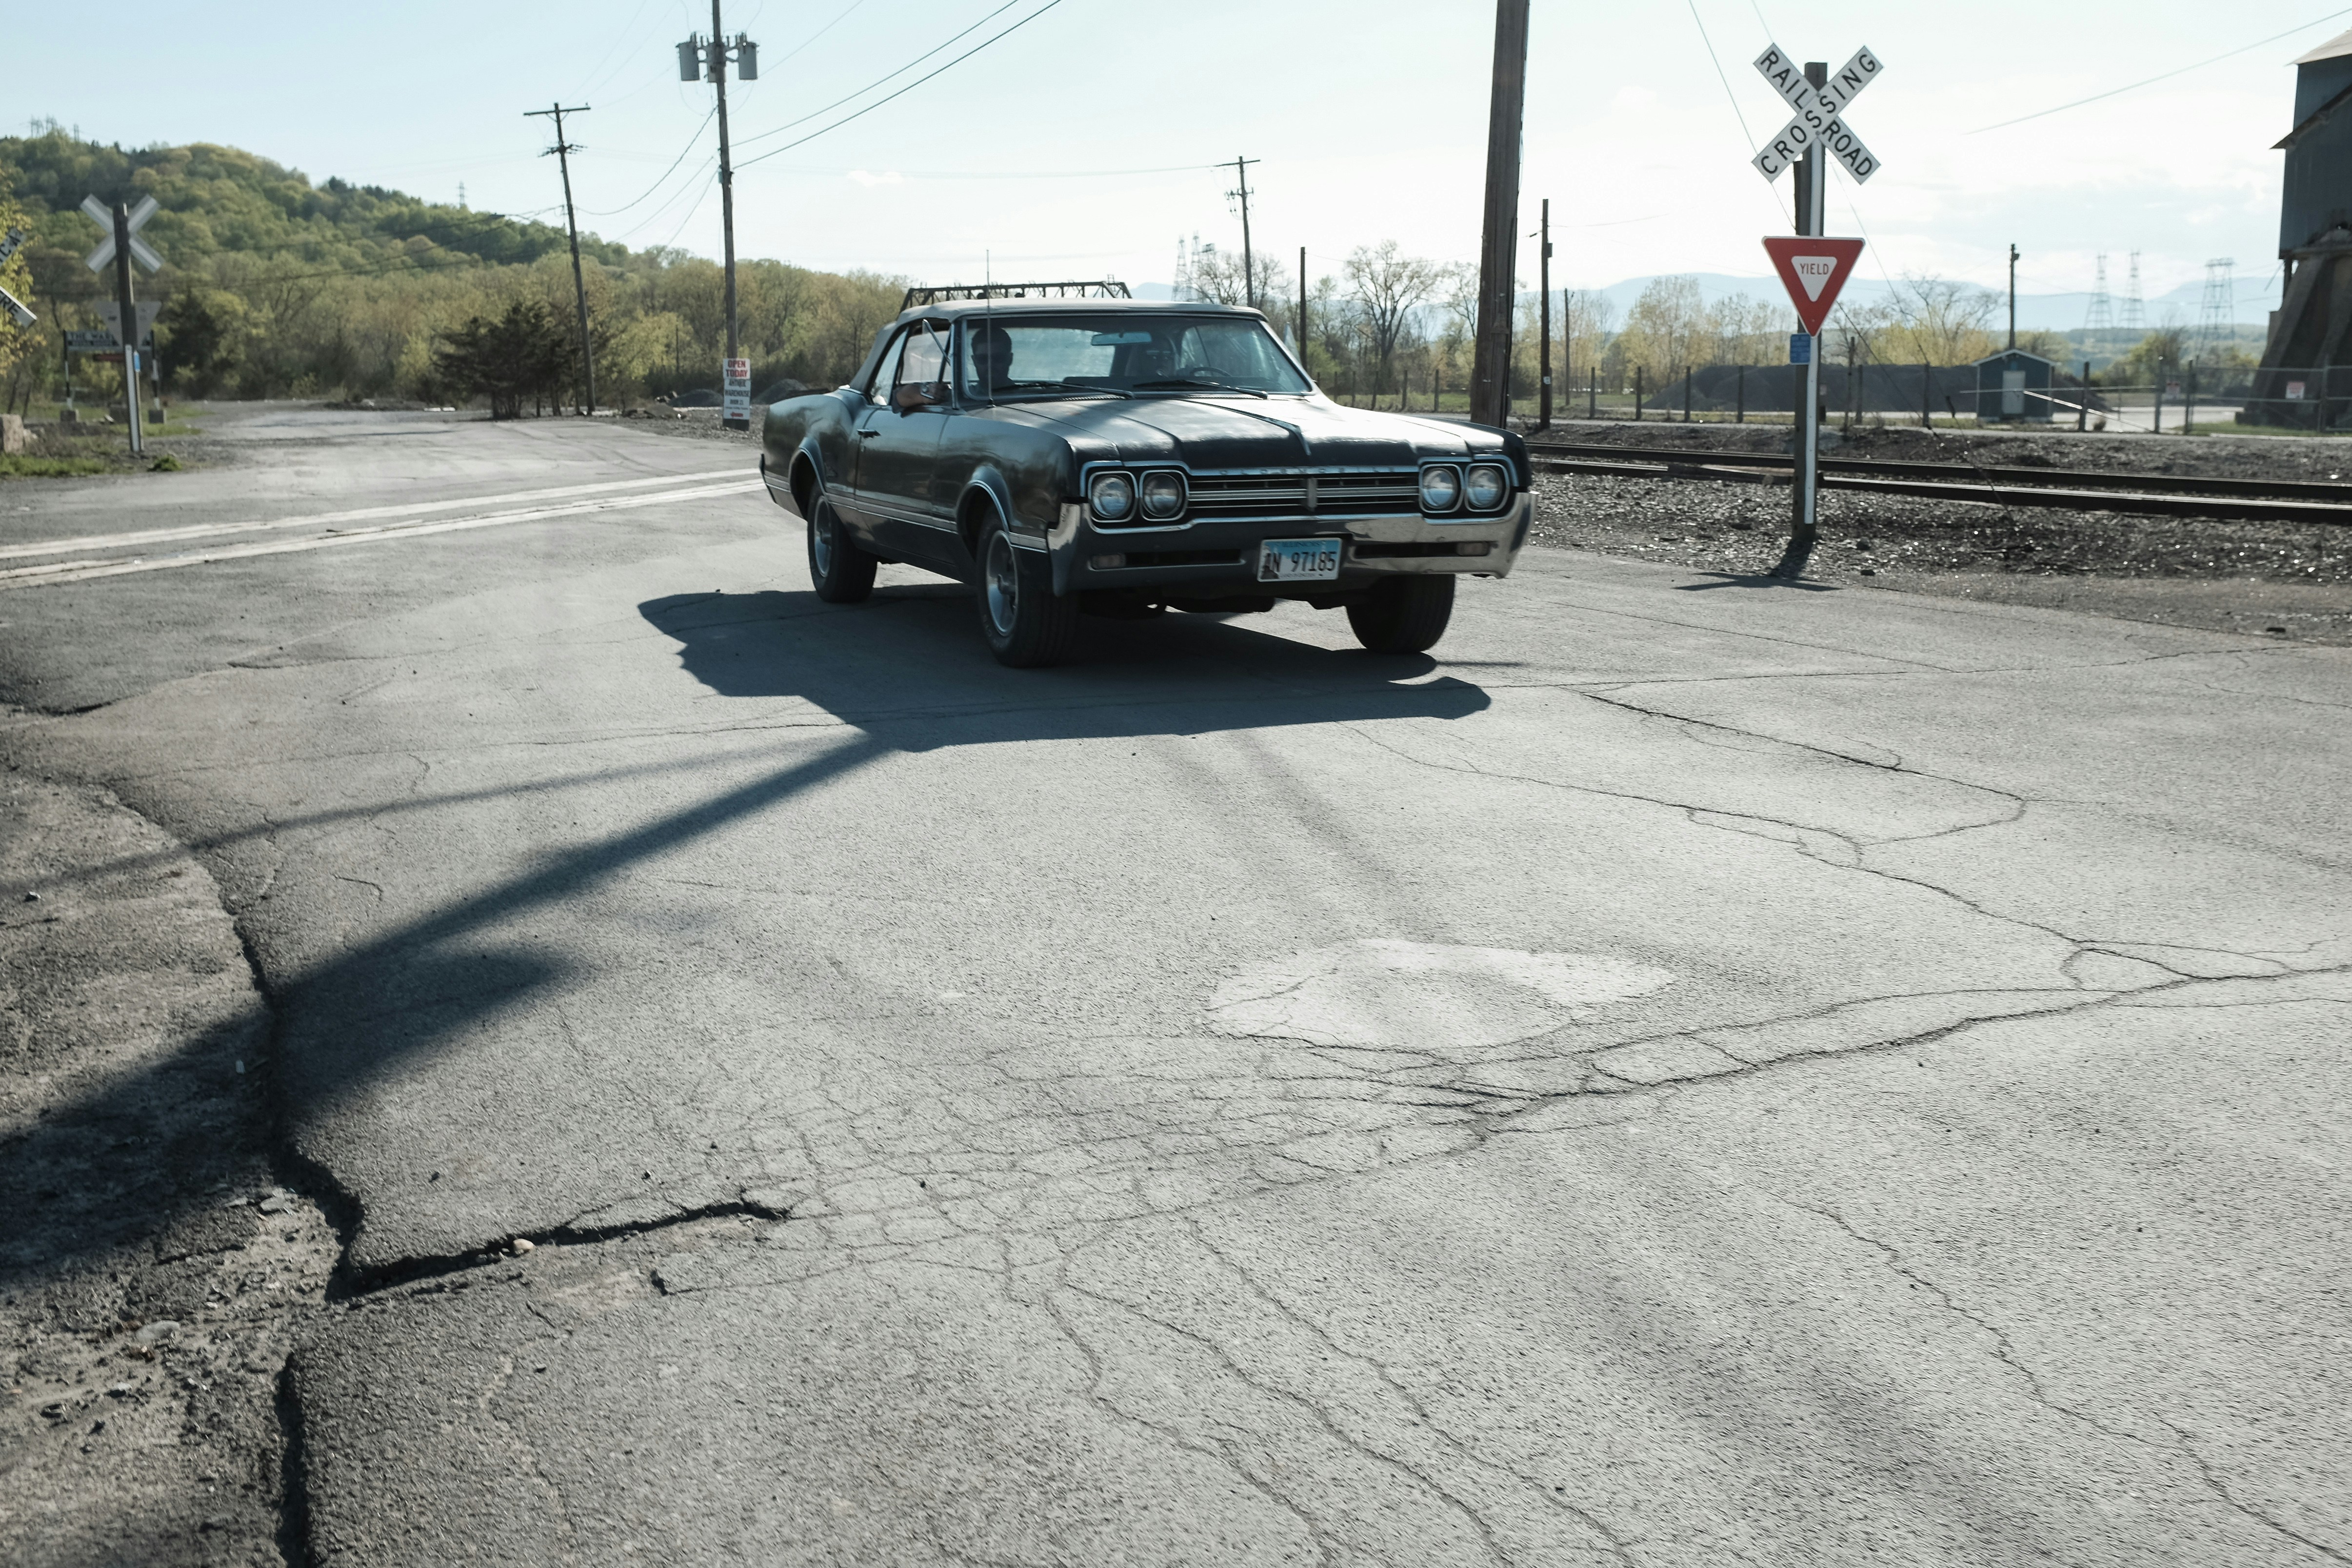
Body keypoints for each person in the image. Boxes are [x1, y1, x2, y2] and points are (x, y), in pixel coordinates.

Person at [966, 323, 1015, 396]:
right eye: (982, 359)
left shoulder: (1027, 396)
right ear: (975, 361)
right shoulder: (961, 396)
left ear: (1010, 359)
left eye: (998, 358)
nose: (990, 365)